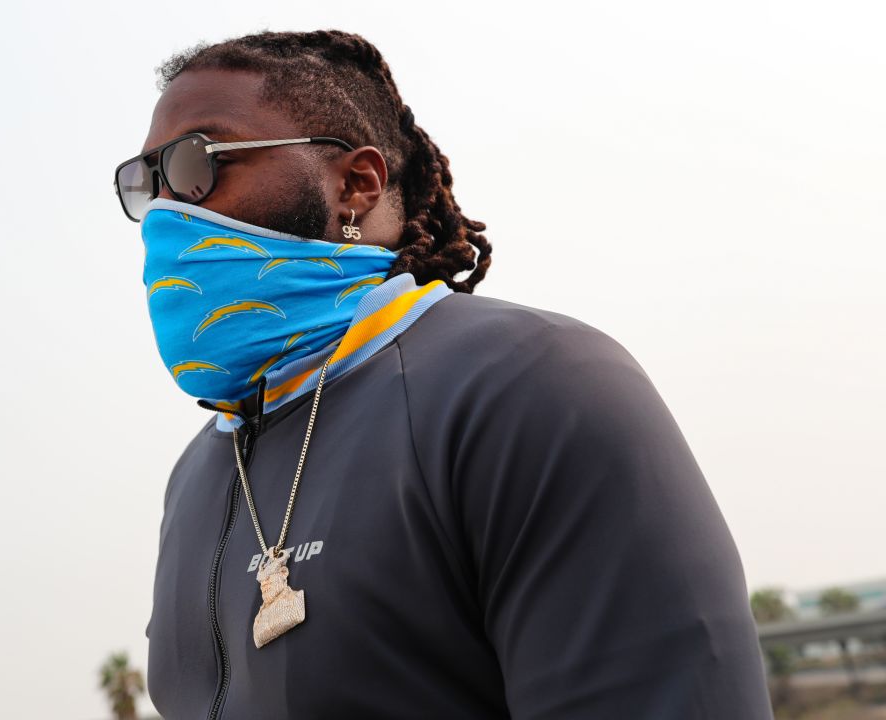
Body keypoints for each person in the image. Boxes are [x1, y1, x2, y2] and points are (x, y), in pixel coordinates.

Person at [114, 29, 772, 719]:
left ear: (355, 187)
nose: (165, 213)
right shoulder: (199, 470)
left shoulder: (532, 385)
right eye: (147, 182)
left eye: (196, 165)